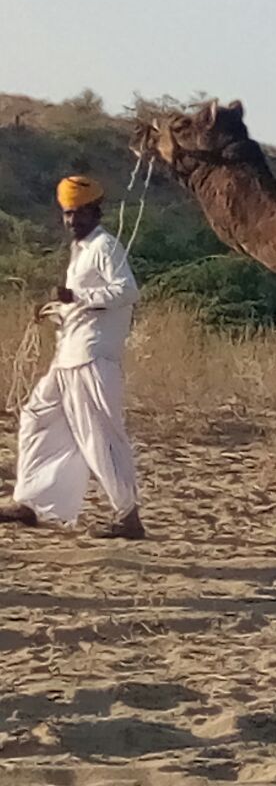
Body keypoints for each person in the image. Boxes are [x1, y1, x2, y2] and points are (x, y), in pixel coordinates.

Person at [0, 176, 145, 539]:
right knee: (36, 416)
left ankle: (127, 516)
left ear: (96, 211)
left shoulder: (105, 246)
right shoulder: (81, 251)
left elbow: (126, 291)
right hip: (69, 354)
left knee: (99, 435)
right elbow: (82, 303)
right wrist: (56, 311)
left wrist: (73, 294)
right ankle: (32, 500)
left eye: (80, 213)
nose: (73, 220)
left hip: (93, 356)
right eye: (68, 214)